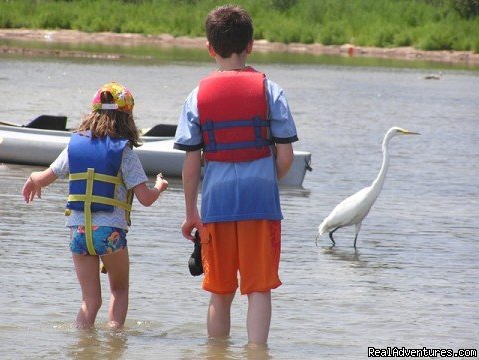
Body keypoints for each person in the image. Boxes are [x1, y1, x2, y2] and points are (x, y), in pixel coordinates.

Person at [174, 5, 298, 344]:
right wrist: (265, 181)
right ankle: (257, 351)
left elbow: (190, 164)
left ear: (210, 48)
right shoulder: (271, 91)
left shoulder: (196, 96)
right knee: (258, 289)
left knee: (220, 291)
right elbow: (285, 156)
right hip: (261, 203)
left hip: (217, 203)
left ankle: (216, 352)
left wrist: (190, 214)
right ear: (251, 45)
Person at [22, 82, 168, 329]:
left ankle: (82, 345)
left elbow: (44, 177)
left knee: (90, 300)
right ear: (127, 118)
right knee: (119, 290)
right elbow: (146, 198)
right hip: (109, 233)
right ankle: (113, 345)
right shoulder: (125, 152)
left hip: (78, 232)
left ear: (92, 113)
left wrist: (33, 180)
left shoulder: (74, 145)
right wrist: (160, 187)